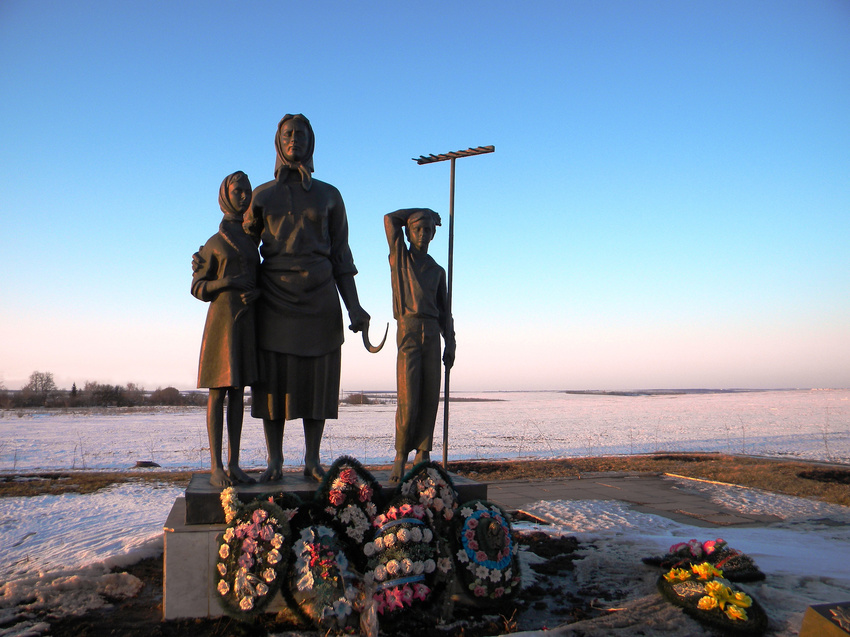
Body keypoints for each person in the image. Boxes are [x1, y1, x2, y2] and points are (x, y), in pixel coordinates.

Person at [245, 114, 370, 482]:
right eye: (288, 134)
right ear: (278, 141)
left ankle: (313, 459)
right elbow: (244, 251)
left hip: (320, 300)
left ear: (311, 142)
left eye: (301, 134)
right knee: (273, 386)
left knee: (318, 383)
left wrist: (355, 305)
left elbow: (342, 255)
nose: (294, 139)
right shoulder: (262, 195)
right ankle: (275, 461)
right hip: (274, 300)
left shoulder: (330, 195)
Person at [192, 171, 260, 487]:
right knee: (218, 391)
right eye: (238, 191)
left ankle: (234, 463)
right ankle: (216, 466)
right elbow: (197, 287)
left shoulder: (249, 241)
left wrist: (255, 292)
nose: (243, 196)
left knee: (238, 392)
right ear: (225, 195)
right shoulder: (215, 242)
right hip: (220, 324)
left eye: (247, 191)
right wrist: (227, 282)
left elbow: (259, 280)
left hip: (244, 321)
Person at [384, 208, 456, 482]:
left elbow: (444, 311)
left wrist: (451, 341)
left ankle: (423, 453)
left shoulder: (437, 271)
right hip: (409, 331)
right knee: (408, 399)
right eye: (418, 229)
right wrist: (422, 212)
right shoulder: (399, 258)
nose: (423, 234)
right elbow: (390, 219)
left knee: (429, 397)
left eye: (428, 230)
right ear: (409, 232)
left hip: (432, 333)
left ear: (434, 234)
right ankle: (401, 454)